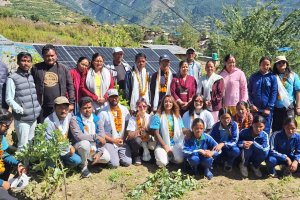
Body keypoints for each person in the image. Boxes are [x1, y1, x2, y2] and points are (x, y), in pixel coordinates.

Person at [5, 52, 41, 150]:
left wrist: (37, 108)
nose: (26, 63)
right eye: (23, 61)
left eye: (28, 61)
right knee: (23, 146)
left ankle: (27, 165)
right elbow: (9, 99)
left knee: (30, 143)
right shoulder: (12, 78)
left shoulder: (30, 76)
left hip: (33, 118)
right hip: (22, 119)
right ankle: (20, 165)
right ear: (18, 62)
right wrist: (21, 110)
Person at [31, 44, 75, 123]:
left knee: (58, 130)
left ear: (56, 55)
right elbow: (31, 86)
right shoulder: (36, 68)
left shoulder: (64, 68)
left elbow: (70, 86)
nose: (50, 58)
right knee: (42, 129)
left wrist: (71, 103)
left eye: (52, 55)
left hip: (60, 106)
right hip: (42, 106)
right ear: (43, 56)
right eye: (47, 56)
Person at [69, 97, 110, 178]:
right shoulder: (75, 119)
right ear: (80, 109)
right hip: (78, 146)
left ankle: (92, 161)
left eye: (89, 107)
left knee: (106, 158)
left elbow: (102, 138)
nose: (87, 110)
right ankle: (83, 167)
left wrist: (99, 153)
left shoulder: (97, 119)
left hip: (94, 147)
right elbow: (79, 136)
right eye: (84, 108)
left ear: (92, 107)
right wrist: (96, 137)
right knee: (85, 144)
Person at [44, 96, 81, 168]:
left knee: (77, 161)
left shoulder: (69, 116)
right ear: (54, 108)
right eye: (60, 108)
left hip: (65, 149)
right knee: (51, 167)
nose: (63, 110)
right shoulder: (48, 121)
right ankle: (58, 162)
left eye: (65, 108)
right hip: (53, 150)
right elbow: (48, 142)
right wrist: (69, 146)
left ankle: (63, 162)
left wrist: (71, 146)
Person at [98, 89, 132, 167]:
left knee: (128, 162)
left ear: (118, 98)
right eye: (111, 97)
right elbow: (100, 132)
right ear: (107, 99)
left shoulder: (124, 109)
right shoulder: (102, 112)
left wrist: (123, 139)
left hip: (121, 141)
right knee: (114, 165)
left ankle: (116, 154)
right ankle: (108, 155)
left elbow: (128, 126)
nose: (114, 99)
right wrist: (113, 140)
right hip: (109, 142)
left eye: (116, 97)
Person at [150, 95, 184, 167]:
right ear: (163, 103)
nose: (168, 103)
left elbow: (182, 128)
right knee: (162, 163)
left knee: (180, 159)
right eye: (166, 102)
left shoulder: (177, 115)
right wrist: (165, 146)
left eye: (170, 102)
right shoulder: (157, 116)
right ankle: (165, 157)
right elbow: (156, 133)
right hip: (162, 144)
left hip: (175, 144)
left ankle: (170, 158)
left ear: (173, 103)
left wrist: (189, 131)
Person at [248, 57, 278, 134]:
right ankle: (253, 145)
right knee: (254, 129)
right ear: (259, 65)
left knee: (265, 130)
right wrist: (251, 105)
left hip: (267, 110)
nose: (265, 66)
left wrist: (269, 108)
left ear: (270, 65)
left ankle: (265, 146)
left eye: (267, 64)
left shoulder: (273, 77)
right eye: (263, 64)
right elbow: (249, 92)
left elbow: (274, 93)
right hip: (255, 109)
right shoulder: (253, 77)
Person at [0, 109, 26, 192]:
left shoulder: (1, 136)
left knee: (6, 164)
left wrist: (18, 163)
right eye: (6, 125)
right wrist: (1, 183)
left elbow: (3, 154)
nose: (8, 128)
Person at [272, 56, 300, 132]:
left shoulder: (293, 75)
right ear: (275, 65)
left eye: (283, 62)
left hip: (289, 107)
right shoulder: (273, 76)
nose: (281, 64)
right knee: (276, 129)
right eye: (279, 63)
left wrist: (298, 107)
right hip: (276, 107)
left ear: (286, 63)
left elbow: (298, 92)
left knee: (289, 128)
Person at [126, 98, 155, 164]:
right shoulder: (133, 118)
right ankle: (136, 156)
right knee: (136, 140)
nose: (142, 108)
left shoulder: (150, 117)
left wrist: (147, 130)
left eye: (144, 106)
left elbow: (154, 132)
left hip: (148, 139)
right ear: (137, 108)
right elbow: (130, 135)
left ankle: (150, 155)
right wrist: (139, 131)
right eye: (140, 106)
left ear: (147, 107)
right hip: (138, 140)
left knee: (153, 142)